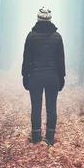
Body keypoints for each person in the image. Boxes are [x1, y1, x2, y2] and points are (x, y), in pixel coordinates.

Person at [21, 7, 66, 145]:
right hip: (53, 76)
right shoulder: (57, 37)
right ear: (50, 19)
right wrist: (62, 77)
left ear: (38, 18)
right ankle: (50, 138)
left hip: (35, 76)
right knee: (51, 106)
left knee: (36, 106)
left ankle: (36, 138)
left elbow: (27, 58)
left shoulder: (31, 36)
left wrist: (25, 75)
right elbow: (60, 60)